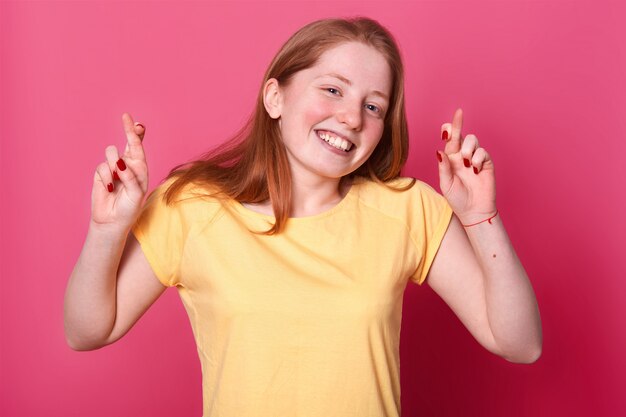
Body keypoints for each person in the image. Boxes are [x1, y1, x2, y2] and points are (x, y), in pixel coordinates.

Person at [64, 17, 542, 417]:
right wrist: (107, 230)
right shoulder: (191, 208)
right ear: (275, 98)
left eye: (372, 106)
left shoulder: (408, 208)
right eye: (333, 89)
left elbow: (520, 344)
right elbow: (88, 331)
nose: (352, 118)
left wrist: (481, 217)